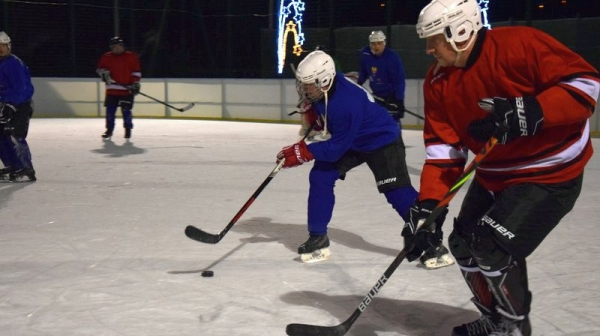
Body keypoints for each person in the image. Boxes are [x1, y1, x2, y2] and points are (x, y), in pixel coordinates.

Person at [403, 0, 600, 335]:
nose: (428, 49)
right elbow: (444, 152)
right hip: (495, 174)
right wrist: (428, 207)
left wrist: (533, 109)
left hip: (549, 174)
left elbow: (586, 85)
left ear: (460, 31)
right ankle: (494, 320)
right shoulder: (438, 82)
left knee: (491, 246)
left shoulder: (519, 44)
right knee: (463, 244)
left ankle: (511, 327)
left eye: (434, 39)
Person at [276, 50, 454, 268]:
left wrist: (303, 152)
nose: (304, 89)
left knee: (396, 191)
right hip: (355, 140)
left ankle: (432, 245)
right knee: (321, 175)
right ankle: (318, 238)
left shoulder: (344, 104)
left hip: (382, 140)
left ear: (324, 80)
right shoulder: (326, 89)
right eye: (303, 84)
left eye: (309, 84)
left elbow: (334, 149)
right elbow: (335, 131)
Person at [0, 31, 36, 182]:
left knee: (16, 135)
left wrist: (12, 104)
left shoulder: (14, 64)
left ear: (9, 46)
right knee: (1, 134)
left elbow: (22, 88)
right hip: (5, 104)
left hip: (20, 105)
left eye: (3, 45)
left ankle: (26, 167)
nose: (1, 48)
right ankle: (12, 165)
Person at [96, 36, 141, 140]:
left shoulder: (131, 56)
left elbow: (136, 71)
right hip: (112, 89)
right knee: (110, 112)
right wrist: (103, 73)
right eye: (115, 47)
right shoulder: (106, 57)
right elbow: (100, 69)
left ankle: (128, 130)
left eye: (119, 46)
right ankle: (109, 130)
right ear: (111, 48)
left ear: (122, 46)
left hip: (127, 90)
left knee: (126, 111)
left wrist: (135, 83)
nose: (117, 48)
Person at [357, 30, 407, 123]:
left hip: (391, 97)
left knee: (393, 123)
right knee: (377, 122)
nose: (376, 46)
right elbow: (364, 71)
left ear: (384, 43)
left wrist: (399, 100)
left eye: (379, 43)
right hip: (376, 96)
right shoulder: (365, 54)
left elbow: (399, 80)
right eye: (373, 44)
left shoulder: (393, 58)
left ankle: (397, 137)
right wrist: (359, 83)